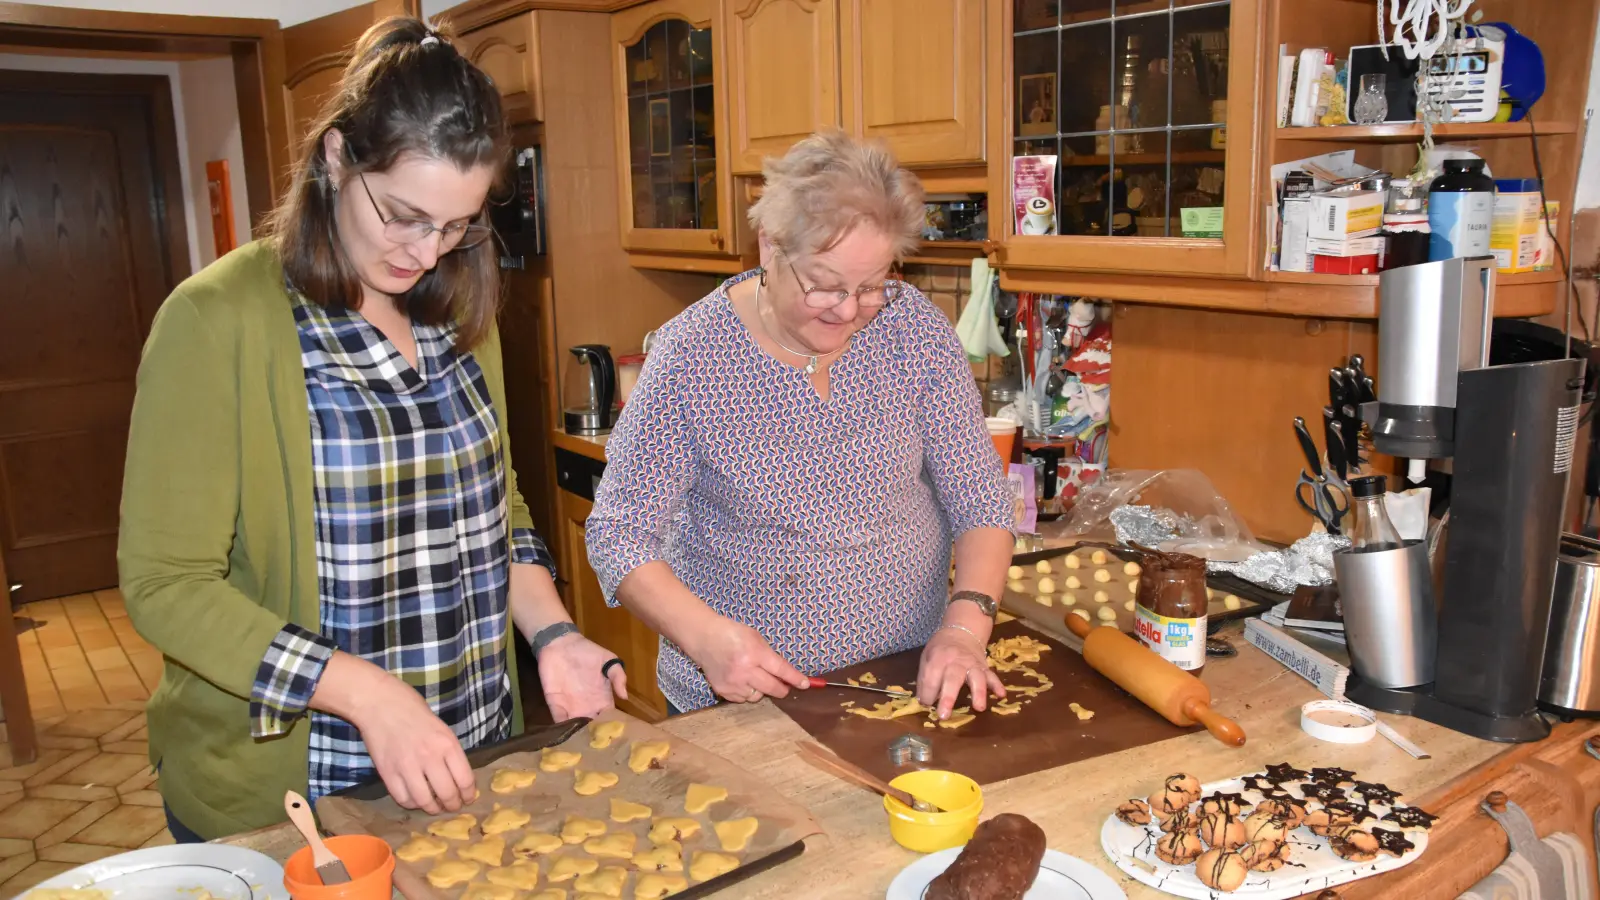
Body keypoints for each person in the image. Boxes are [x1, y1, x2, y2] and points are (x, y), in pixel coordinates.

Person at [117, 17, 626, 842]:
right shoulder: (217, 320)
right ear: (336, 158)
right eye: (403, 214)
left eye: (456, 226)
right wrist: (368, 694)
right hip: (303, 785)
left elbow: (497, 512)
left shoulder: (460, 315)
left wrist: (554, 634)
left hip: (468, 748)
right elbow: (165, 585)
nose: (425, 253)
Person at [586, 131, 1015, 718]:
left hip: (906, 679)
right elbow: (618, 533)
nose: (849, 309)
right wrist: (706, 639)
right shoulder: (691, 357)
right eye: (826, 285)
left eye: (871, 286)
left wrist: (964, 629)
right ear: (770, 245)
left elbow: (980, 500)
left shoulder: (913, 330)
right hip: (744, 700)